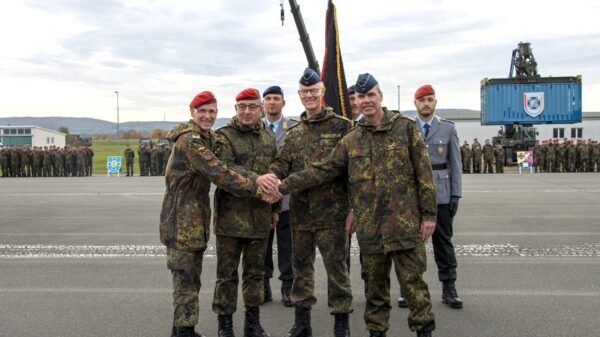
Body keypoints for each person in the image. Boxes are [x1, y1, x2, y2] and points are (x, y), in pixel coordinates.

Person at [262, 73, 437, 337]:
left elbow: (424, 174)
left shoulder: (404, 128)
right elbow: (324, 169)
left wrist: (429, 215)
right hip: (369, 226)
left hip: (403, 223)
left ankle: (423, 330)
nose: (366, 101)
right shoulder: (353, 137)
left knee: (413, 284)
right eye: (361, 97)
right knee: (375, 289)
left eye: (371, 95)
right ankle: (375, 332)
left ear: (380, 96)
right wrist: (278, 184)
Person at [159, 90, 273, 337]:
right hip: (181, 221)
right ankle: (184, 332)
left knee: (190, 281)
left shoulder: (206, 137)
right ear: (192, 112)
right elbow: (220, 172)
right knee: (186, 282)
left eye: (212, 112)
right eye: (203, 111)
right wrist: (259, 186)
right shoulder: (190, 140)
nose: (208, 116)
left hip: (193, 220)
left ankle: (182, 329)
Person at [267, 68, 353, 337]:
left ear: (322, 92)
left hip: (333, 214)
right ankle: (302, 323)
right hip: (301, 215)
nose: (309, 96)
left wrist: (353, 209)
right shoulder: (294, 132)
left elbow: (343, 170)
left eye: (313, 91)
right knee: (300, 270)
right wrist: (272, 176)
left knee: (337, 271)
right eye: (304, 92)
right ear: (299, 95)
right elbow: (283, 162)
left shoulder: (342, 127)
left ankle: (342, 324)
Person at [211, 88, 277, 337]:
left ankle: (253, 323)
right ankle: (225, 325)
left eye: (251, 106)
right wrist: (259, 181)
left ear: (260, 108)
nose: (247, 111)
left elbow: (275, 173)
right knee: (226, 276)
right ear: (236, 108)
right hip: (230, 220)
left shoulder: (268, 138)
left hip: (260, 218)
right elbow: (226, 170)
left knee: (255, 274)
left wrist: (275, 208)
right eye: (242, 106)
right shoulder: (223, 136)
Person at [411, 84, 463, 309]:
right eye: (422, 100)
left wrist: (456, 194)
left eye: (430, 100)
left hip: (441, 194)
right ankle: (410, 289)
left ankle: (449, 287)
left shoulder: (447, 129)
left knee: (443, 242)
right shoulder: (407, 127)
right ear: (415, 104)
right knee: (411, 245)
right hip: (413, 196)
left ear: (435, 102)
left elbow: (456, 164)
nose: (426, 104)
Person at [262, 85, 295, 307]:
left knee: (287, 246)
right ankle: (263, 286)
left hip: (286, 199)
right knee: (262, 246)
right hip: (261, 199)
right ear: (263, 103)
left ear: (283, 102)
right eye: (268, 99)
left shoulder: (293, 128)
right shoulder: (253, 128)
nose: (272, 102)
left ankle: (287, 287)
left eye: (276, 98)